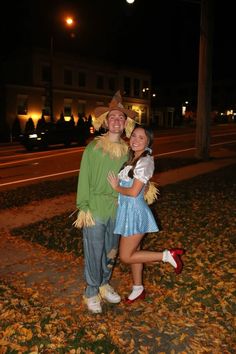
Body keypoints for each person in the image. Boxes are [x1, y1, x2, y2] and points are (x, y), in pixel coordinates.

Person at [73, 91, 138, 314]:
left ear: (125, 123)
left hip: (117, 207)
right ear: (106, 121)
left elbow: (134, 179)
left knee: (111, 250)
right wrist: (84, 207)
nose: (117, 121)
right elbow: (84, 178)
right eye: (113, 117)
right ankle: (91, 290)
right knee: (94, 249)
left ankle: (103, 283)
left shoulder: (128, 152)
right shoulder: (93, 148)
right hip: (95, 207)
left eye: (121, 118)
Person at [107, 125, 185, 304]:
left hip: (135, 212)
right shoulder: (133, 158)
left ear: (148, 142)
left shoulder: (145, 161)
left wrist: (116, 187)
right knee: (136, 251)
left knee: (126, 256)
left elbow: (134, 192)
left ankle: (167, 256)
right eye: (134, 136)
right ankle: (138, 288)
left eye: (141, 138)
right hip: (127, 211)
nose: (135, 140)